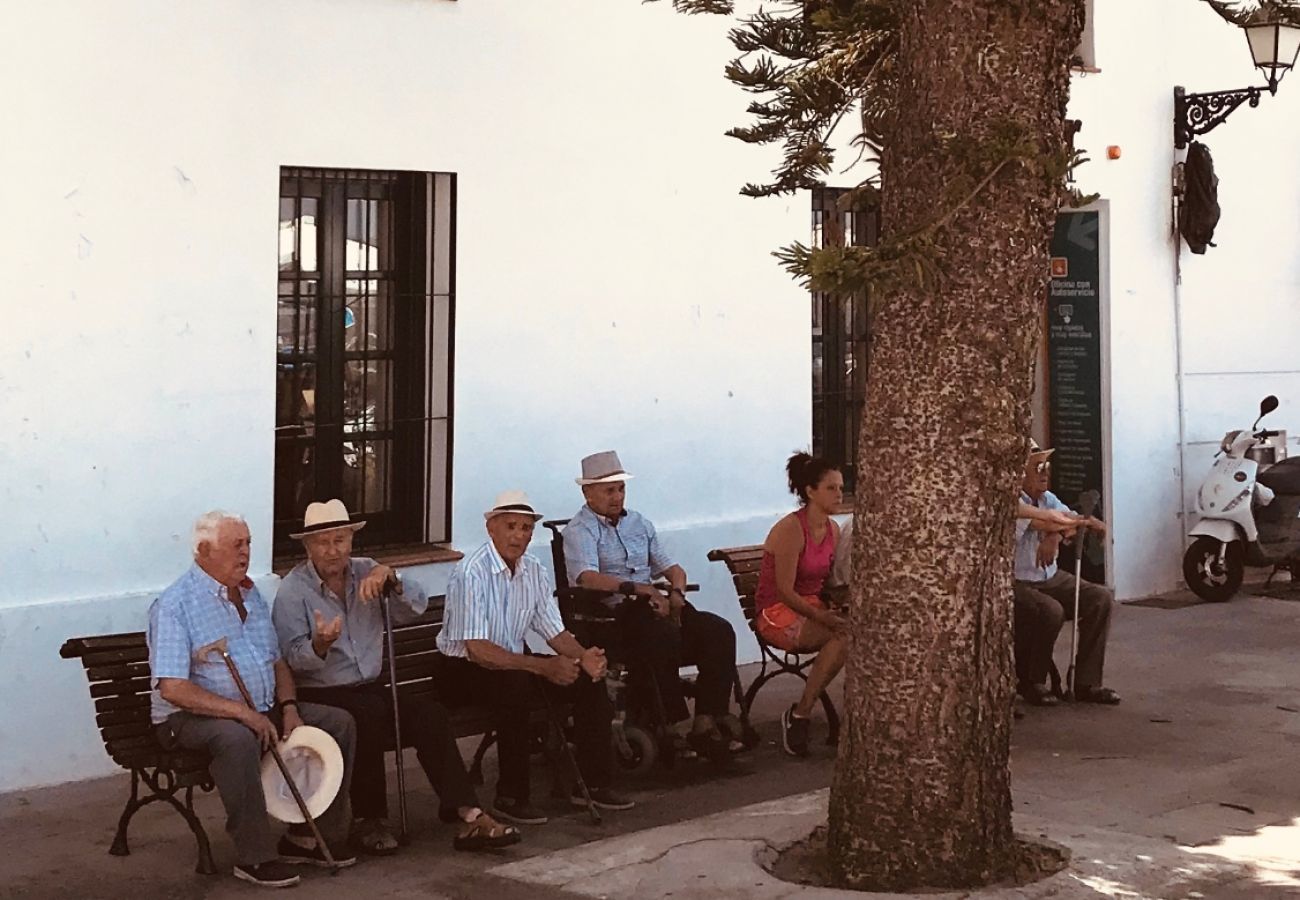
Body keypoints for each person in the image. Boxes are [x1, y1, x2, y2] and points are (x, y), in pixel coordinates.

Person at [273, 499, 520, 855]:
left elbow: (415, 608)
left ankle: (469, 815)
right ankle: (369, 821)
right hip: (323, 694)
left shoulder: (366, 570)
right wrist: (321, 644)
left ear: (351, 541)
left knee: (428, 714)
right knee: (367, 716)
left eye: (340, 540)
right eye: (323, 542)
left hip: (371, 688)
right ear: (307, 547)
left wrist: (393, 578)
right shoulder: (293, 591)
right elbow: (291, 660)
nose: (332, 550)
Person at [148, 511, 358, 889]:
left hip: (257, 707)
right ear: (203, 551)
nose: (245, 553)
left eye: (247, 544)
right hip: (188, 719)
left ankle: (308, 837)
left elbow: (275, 660)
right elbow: (174, 689)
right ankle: (255, 856)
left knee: (337, 722)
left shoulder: (249, 594)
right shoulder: (175, 605)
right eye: (236, 545)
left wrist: (289, 707)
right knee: (236, 738)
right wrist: (243, 715)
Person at [437, 490, 633, 826]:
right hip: (461, 670)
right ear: (492, 529)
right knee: (515, 686)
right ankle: (511, 796)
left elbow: (554, 631)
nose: (519, 536)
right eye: (511, 526)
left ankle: (591, 782)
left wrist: (583, 657)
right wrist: (542, 666)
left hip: (510, 662)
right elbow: (477, 650)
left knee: (586, 679)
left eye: (526, 528)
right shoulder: (472, 571)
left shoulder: (533, 570)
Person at [563, 450, 743, 762]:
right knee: (659, 632)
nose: (617, 496)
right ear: (587, 492)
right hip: (611, 615)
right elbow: (586, 577)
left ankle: (707, 720)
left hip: (653, 605)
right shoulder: (580, 530)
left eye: (620, 488)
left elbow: (672, 568)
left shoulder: (639, 523)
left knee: (717, 631)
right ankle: (672, 724)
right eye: (609, 490)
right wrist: (637, 589)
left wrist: (676, 593)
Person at [1014, 441, 1120, 706]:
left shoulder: (1047, 499)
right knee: (1050, 611)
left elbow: (1070, 521)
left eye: (1046, 466)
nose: (1044, 473)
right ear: (1019, 472)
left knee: (1099, 598)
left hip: (1048, 576)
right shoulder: (1013, 502)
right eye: (1037, 467)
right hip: (1018, 580)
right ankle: (1032, 681)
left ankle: (1087, 682)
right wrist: (1060, 526)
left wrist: (1055, 535)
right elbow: (1045, 520)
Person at [755, 452, 847, 757]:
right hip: (778, 612)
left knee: (855, 630)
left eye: (841, 487)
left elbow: (828, 582)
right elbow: (783, 591)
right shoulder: (791, 530)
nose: (839, 494)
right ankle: (801, 714)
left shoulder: (834, 530)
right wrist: (823, 616)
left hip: (813, 607)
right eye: (831, 488)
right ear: (810, 491)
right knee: (843, 635)